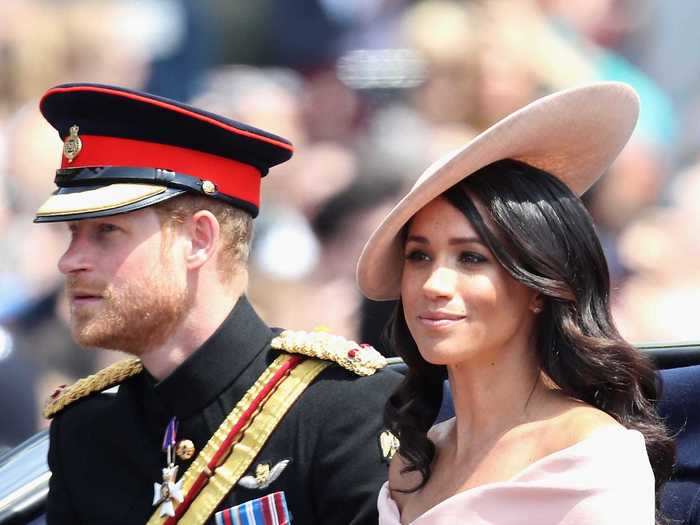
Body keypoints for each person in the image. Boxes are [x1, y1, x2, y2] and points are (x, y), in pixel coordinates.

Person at [35, 82, 402, 524]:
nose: (69, 261)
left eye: (106, 232)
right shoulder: (87, 431)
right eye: (73, 234)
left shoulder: (341, 409)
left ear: (198, 239)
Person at [356, 82, 675, 524]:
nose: (434, 283)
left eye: (471, 258)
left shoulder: (588, 455)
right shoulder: (412, 462)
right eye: (419, 256)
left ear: (539, 287)